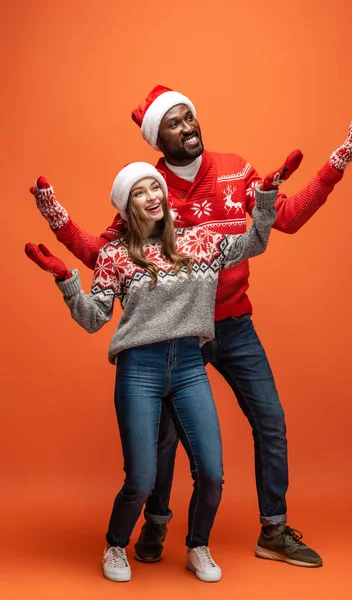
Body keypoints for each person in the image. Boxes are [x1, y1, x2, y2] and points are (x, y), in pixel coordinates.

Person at [30, 85, 352, 568]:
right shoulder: (149, 187)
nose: (188, 127)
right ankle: (156, 522)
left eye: (190, 117)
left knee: (270, 420)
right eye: (175, 122)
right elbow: (109, 256)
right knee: (161, 441)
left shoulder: (233, 169)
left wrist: (335, 166)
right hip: (171, 333)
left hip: (231, 322)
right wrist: (59, 226)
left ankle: (273, 530)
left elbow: (280, 221)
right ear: (156, 139)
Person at [25, 158, 290, 582]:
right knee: (142, 479)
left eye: (155, 188)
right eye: (139, 192)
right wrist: (67, 281)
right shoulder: (115, 255)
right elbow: (95, 318)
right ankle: (115, 544)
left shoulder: (200, 242)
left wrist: (265, 198)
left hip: (188, 364)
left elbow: (254, 243)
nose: (152, 196)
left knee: (212, 473)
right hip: (139, 369)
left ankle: (198, 546)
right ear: (126, 206)